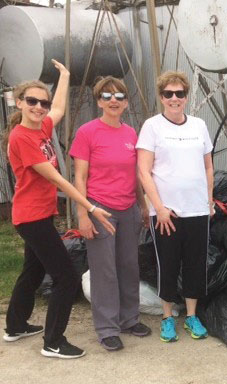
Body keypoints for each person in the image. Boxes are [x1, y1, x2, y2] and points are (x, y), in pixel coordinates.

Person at [2, 60, 116, 359]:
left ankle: (14, 325)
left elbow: (59, 110)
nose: (39, 107)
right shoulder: (21, 137)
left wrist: (64, 76)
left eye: (43, 102)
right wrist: (90, 206)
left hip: (37, 215)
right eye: (32, 102)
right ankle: (53, 342)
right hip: (31, 218)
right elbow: (56, 179)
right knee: (66, 277)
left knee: (32, 270)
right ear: (19, 103)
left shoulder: (41, 129)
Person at [69, 76, 151, 351]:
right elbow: (79, 178)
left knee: (129, 266)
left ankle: (129, 319)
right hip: (99, 208)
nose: (113, 100)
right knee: (104, 271)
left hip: (128, 208)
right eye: (106, 96)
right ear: (98, 101)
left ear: (126, 103)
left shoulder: (131, 134)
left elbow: (136, 175)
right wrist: (83, 214)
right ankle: (107, 328)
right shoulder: (87, 132)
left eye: (118, 96)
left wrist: (142, 204)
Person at [136, 70, 214, 343]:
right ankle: (167, 317)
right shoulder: (152, 127)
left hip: (197, 209)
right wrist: (159, 206)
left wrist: (210, 200)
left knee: (195, 264)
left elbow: (208, 166)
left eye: (179, 93)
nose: (174, 98)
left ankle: (191, 316)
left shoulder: (199, 126)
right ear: (161, 97)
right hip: (167, 212)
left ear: (186, 96)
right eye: (168, 94)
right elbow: (144, 171)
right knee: (167, 264)